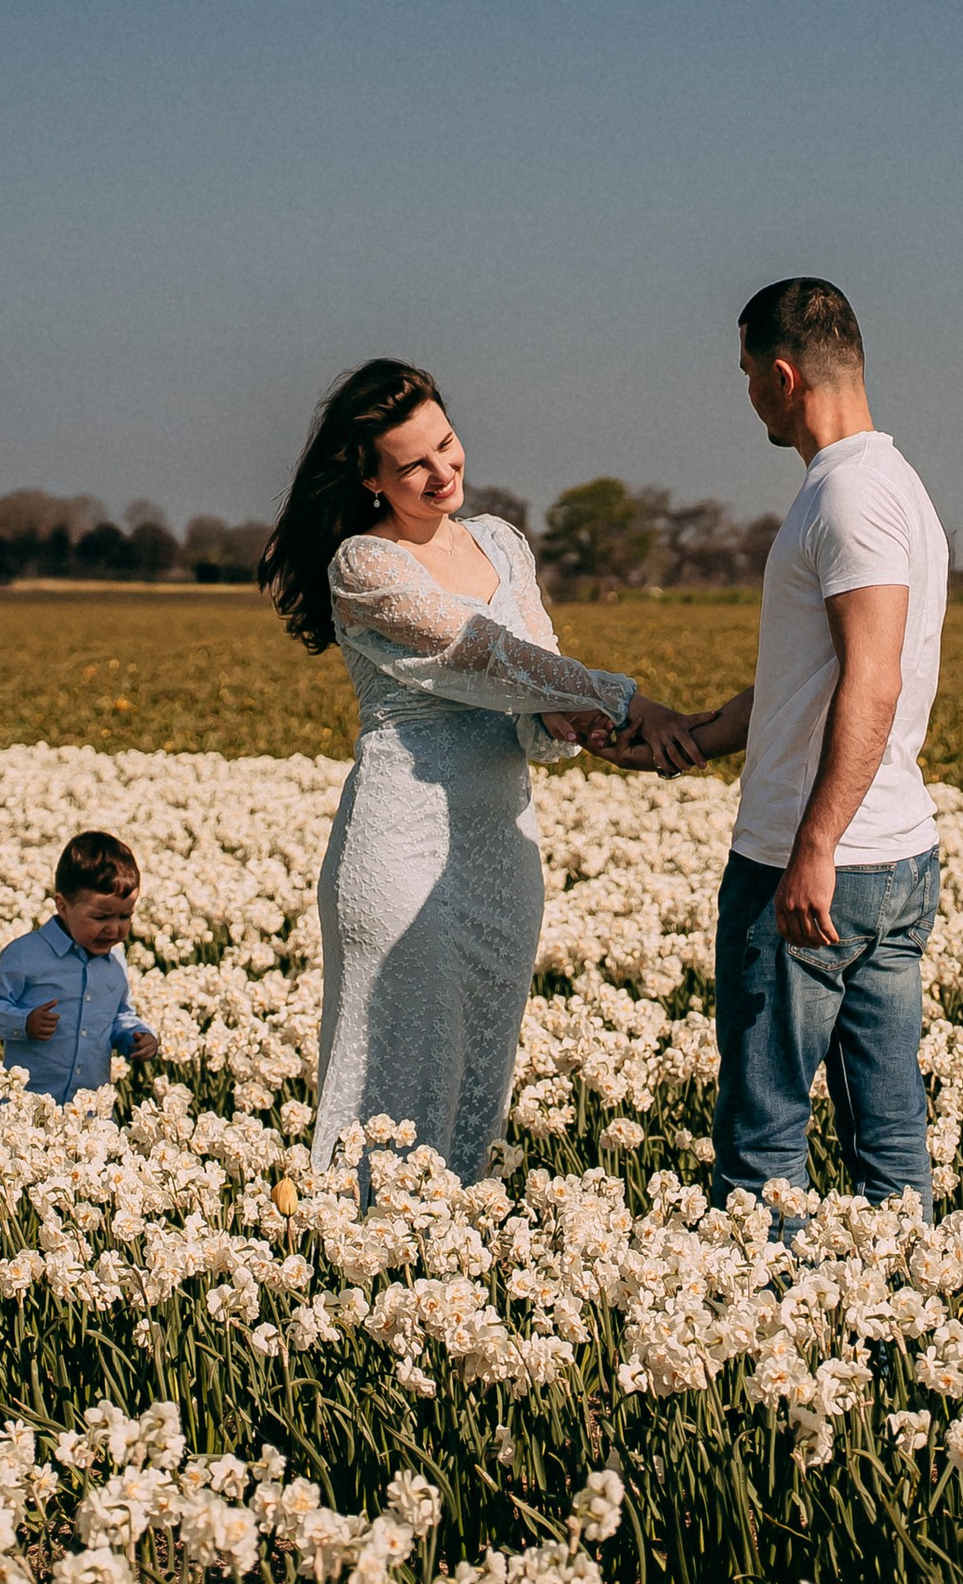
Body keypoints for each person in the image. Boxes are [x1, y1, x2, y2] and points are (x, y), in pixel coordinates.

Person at [260, 359, 700, 1185]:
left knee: (481, 1067)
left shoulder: (499, 541)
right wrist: (628, 703)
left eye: (447, 444)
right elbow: (482, 653)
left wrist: (589, 723)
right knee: (391, 1077)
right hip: (401, 846)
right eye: (413, 465)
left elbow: (538, 671)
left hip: (503, 840)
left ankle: (450, 1254)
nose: (441, 472)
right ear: (369, 479)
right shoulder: (364, 565)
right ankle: (365, 1265)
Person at [598, 279, 948, 1221]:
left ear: (783, 376)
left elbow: (872, 681)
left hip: (816, 868)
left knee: (763, 1144)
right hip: (894, 854)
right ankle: (896, 1343)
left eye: (749, 373)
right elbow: (813, 683)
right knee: (890, 1141)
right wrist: (693, 740)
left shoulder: (849, 499)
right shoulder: (895, 485)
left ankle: (762, 1344)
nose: (747, 392)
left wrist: (814, 847)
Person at [0, 829, 162, 1101]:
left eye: (125, 916)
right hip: (26, 1109)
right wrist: (24, 1022)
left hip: (89, 1112)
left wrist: (137, 1036)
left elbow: (119, 1015)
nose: (114, 929)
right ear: (63, 907)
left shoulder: (116, 963)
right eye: (100, 917)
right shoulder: (26, 954)